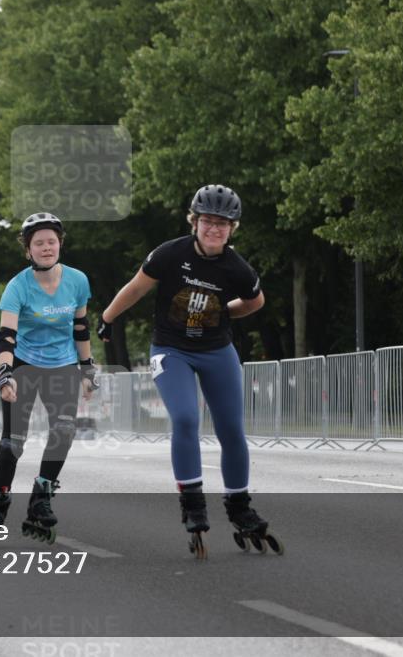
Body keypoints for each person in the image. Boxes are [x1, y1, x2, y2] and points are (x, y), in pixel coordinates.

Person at [98, 184, 282, 558]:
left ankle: (240, 508)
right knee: (184, 418)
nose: (215, 230)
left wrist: (222, 312)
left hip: (216, 350)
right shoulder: (170, 254)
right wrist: (107, 317)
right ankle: (193, 504)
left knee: (232, 429)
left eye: (223, 224)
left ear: (233, 229)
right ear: (194, 222)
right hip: (172, 349)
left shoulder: (236, 267)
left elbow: (255, 301)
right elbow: (136, 289)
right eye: (208, 222)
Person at [0, 213, 97, 546]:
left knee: (64, 430)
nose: (46, 248)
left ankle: (42, 495)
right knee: (14, 442)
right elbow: (5, 335)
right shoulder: (18, 285)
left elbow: (81, 327)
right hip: (25, 364)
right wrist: (5, 373)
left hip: (62, 366)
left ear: (60, 243)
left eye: (51, 241)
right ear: (28, 250)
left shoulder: (78, 280)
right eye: (39, 243)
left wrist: (87, 369)